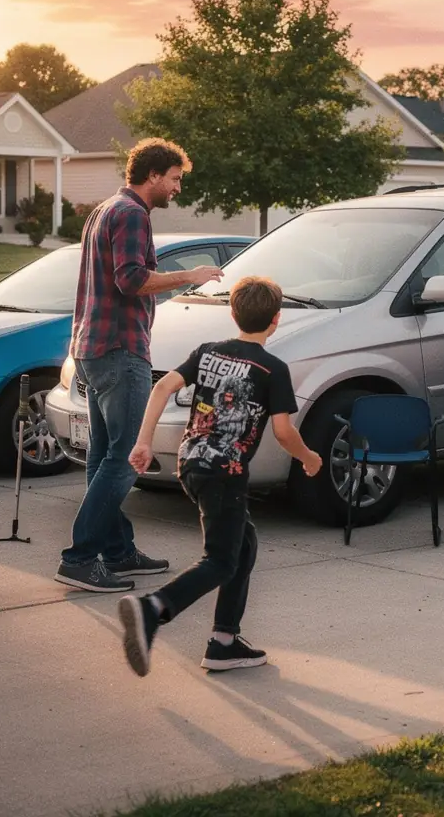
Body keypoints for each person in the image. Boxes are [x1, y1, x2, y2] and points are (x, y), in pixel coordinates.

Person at [117, 276, 322, 677]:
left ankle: (224, 642)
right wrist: (309, 457)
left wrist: (144, 442)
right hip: (224, 473)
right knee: (221, 561)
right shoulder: (273, 369)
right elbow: (283, 431)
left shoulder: (207, 351)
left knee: (243, 543)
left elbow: (161, 388)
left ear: (233, 313)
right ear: (276, 319)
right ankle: (152, 609)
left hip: (191, 462)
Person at [54, 138, 223, 594]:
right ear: (153, 175)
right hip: (118, 349)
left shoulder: (105, 210)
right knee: (127, 458)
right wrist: (189, 276)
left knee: (104, 458)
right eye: (174, 179)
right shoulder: (131, 214)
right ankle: (80, 558)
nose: (177, 189)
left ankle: (118, 550)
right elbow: (130, 280)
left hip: (91, 348)